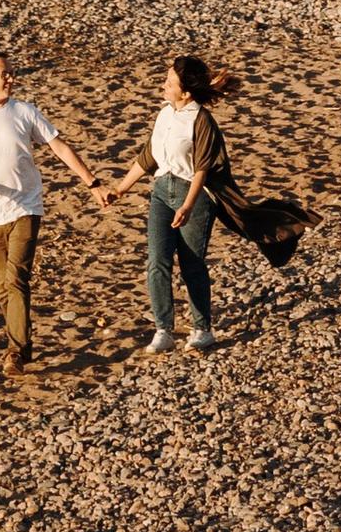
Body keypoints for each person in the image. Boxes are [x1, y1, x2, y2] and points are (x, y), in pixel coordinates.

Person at [0, 50, 103, 377]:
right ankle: (23, 344)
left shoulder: (25, 112)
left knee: (16, 278)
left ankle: (15, 351)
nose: (10, 79)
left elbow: (59, 146)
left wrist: (92, 182)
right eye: (3, 74)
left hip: (26, 207)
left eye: (11, 73)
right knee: (2, 285)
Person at [104, 55, 243, 356]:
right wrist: (120, 189)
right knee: (157, 261)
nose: (164, 86)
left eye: (170, 82)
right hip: (160, 193)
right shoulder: (164, 114)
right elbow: (148, 157)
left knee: (192, 264)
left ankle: (202, 330)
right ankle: (163, 330)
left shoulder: (201, 120)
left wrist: (189, 205)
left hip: (194, 195)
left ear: (187, 92)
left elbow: (203, 169)